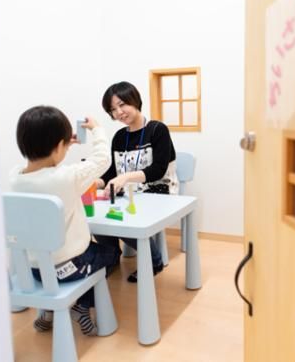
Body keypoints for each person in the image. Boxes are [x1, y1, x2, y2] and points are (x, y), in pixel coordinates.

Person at [10, 105, 120, 336]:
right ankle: (81, 307)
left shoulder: (14, 180)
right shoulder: (68, 177)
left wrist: (62, 145)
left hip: (33, 270)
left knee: (73, 256)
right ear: (60, 145)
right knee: (110, 255)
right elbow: (102, 159)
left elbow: (45, 169)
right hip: (69, 268)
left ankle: (48, 311)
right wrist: (97, 129)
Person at [98, 81, 179, 283]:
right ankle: (111, 256)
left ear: (135, 101)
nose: (119, 112)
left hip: (158, 190)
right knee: (99, 215)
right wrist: (98, 182)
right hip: (130, 193)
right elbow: (114, 170)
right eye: (113, 109)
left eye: (122, 104)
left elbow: (158, 170)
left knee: (123, 216)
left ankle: (154, 260)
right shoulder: (119, 137)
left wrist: (125, 177)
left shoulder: (157, 129)